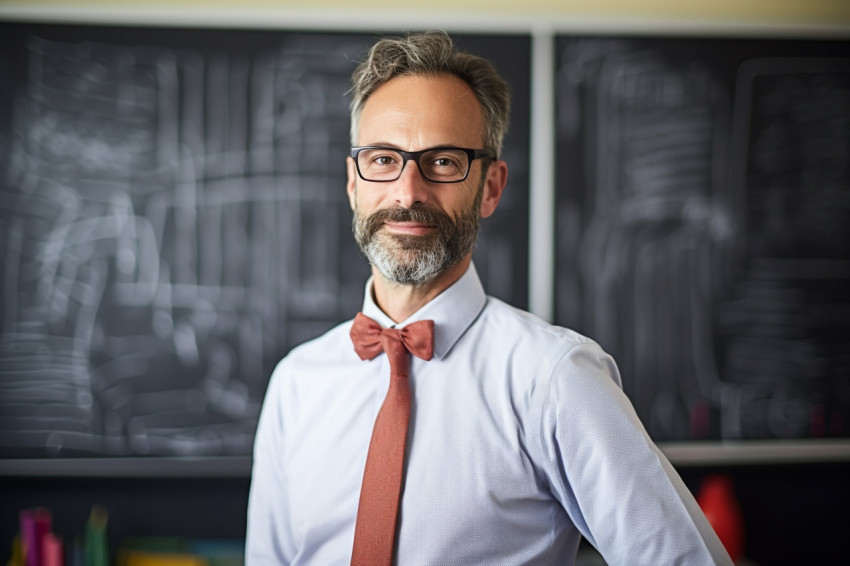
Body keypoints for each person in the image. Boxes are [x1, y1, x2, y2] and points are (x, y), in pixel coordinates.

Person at [246, 30, 733, 566]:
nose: (408, 192)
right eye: (384, 159)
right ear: (353, 183)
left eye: (443, 161)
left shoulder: (555, 378)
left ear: (492, 187)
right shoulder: (296, 383)